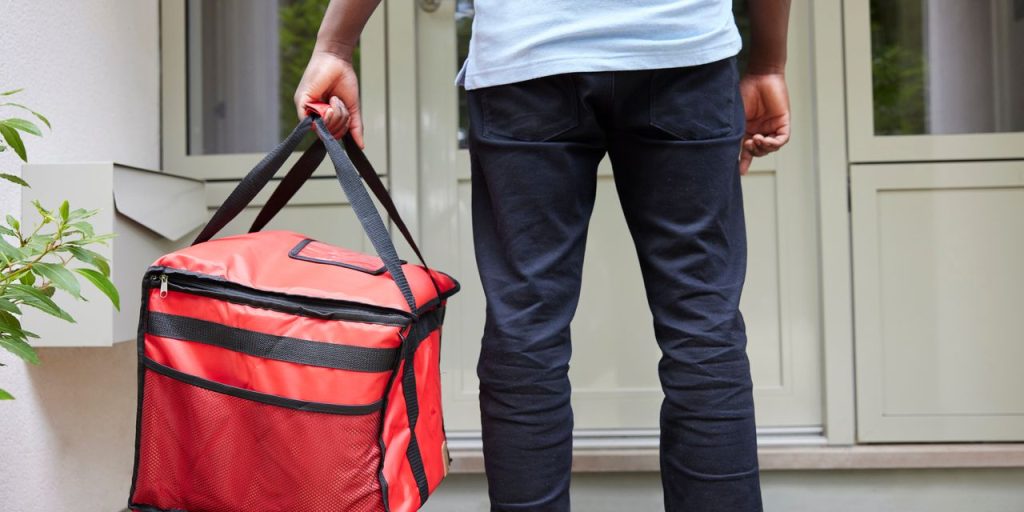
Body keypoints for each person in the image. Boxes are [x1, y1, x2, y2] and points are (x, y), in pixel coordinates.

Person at [297, 1, 791, 510]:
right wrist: (769, 64)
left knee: (526, 327)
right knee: (703, 324)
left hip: (527, 56)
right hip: (682, 50)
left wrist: (336, 46)